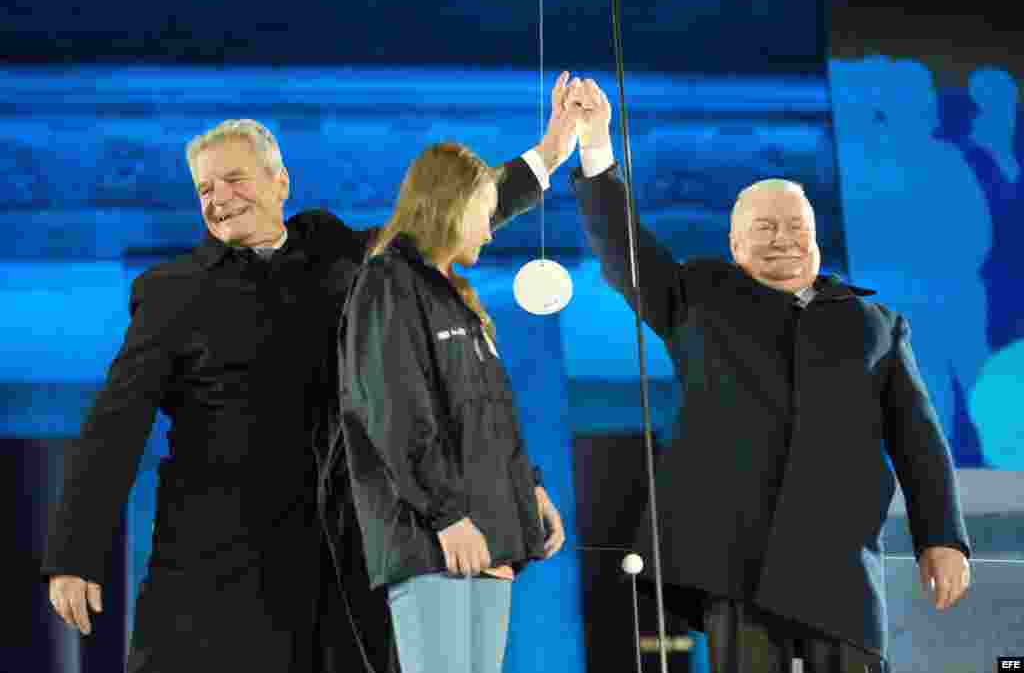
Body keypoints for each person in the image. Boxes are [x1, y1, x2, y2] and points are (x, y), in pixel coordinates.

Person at [42, 71, 580, 672]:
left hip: (339, 550)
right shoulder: (172, 292)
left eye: (234, 178)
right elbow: (115, 423)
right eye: (204, 189)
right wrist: (74, 553)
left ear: (280, 181)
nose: (218, 198)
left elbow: (440, 224)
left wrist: (549, 155)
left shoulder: (342, 255)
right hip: (218, 558)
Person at [565, 78, 972, 673]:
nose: (784, 238)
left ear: (817, 236)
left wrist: (942, 537)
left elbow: (919, 442)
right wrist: (597, 146)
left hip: (843, 566)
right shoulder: (697, 297)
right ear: (734, 243)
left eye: (796, 225)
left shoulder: (877, 324)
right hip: (736, 561)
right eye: (764, 228)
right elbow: (623, 248)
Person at [333, 140, 568, 673]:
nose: (489, 230)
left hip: (487, 537)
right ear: (453, 206)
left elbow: (488, 414)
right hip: (436, 539)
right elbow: (395, 412)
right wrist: (447, 515)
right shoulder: (386, 283)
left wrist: (526, 489)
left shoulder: (454, 296)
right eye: (485, 215)